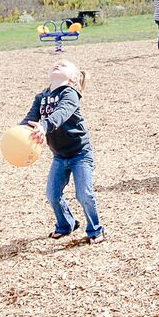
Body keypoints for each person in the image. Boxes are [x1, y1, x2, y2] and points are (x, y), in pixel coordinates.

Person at [22, 59, 105, 242]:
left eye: (64, 65)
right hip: (59, 156)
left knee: (84, 194)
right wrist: (20, 133)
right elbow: (29, 120)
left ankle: (96, 230)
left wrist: (44, 126)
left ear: (73, 78)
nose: (58, 63)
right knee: (52, 194)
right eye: (56, 63)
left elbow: (62, 113)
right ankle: (66, 224)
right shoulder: (41, 97)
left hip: (81, 153)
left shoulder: (71, 93)